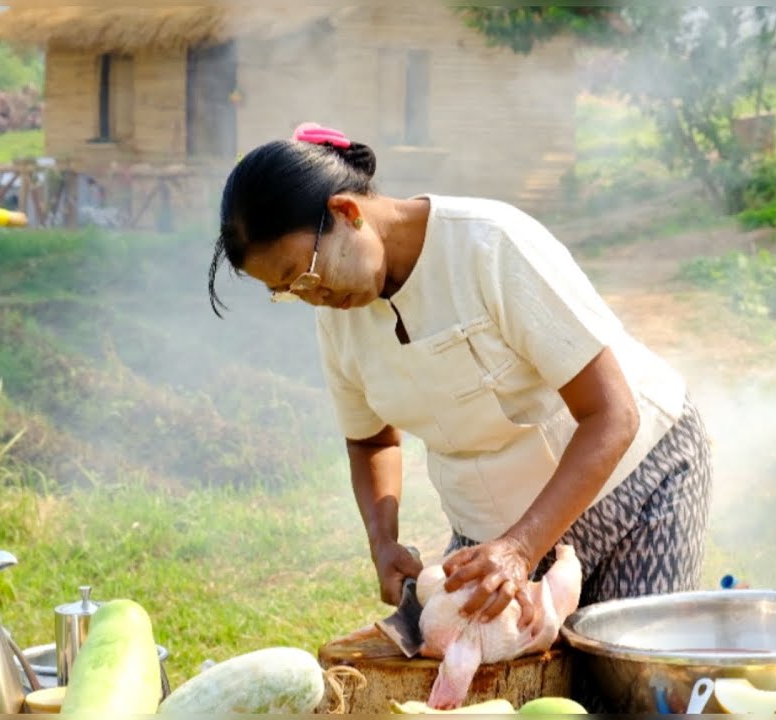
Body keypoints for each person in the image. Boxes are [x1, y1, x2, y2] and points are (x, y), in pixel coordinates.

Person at [208, 122, 713, 633]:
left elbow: (612, 414)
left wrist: (521, 548)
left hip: (635, 483)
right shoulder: (337, 312)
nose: (310, 296)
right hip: (492, 530)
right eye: (288, 290)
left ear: (347, 212)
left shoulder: (489, 245)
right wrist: (383, 540)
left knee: (626, 686)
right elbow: (370, 441)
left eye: (306, 274)